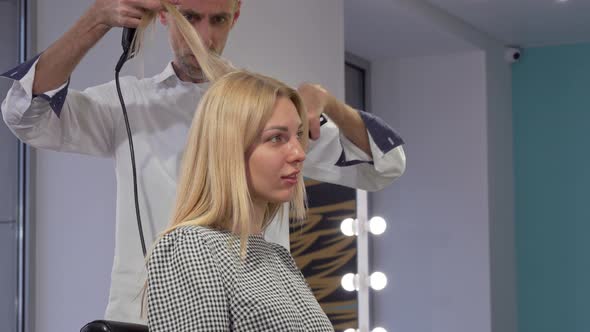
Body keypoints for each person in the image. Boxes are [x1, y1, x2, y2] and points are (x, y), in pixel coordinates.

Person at [0, 0, 405, 324]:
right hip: (143, 318)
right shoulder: (128, 103)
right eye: (190, 18)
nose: (204, 37)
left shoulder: (267, 114)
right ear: (164, 14)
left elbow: (384, 165)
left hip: (255, 313)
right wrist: (96, 20)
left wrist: (328, 101)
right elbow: (24, 114)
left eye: (219, 20)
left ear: (237, 15)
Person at [147, 69, 334, 331]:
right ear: (230, 147)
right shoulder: (191, 247)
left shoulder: (279, 257)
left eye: (298, 136)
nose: (299, 153)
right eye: (276, 138)